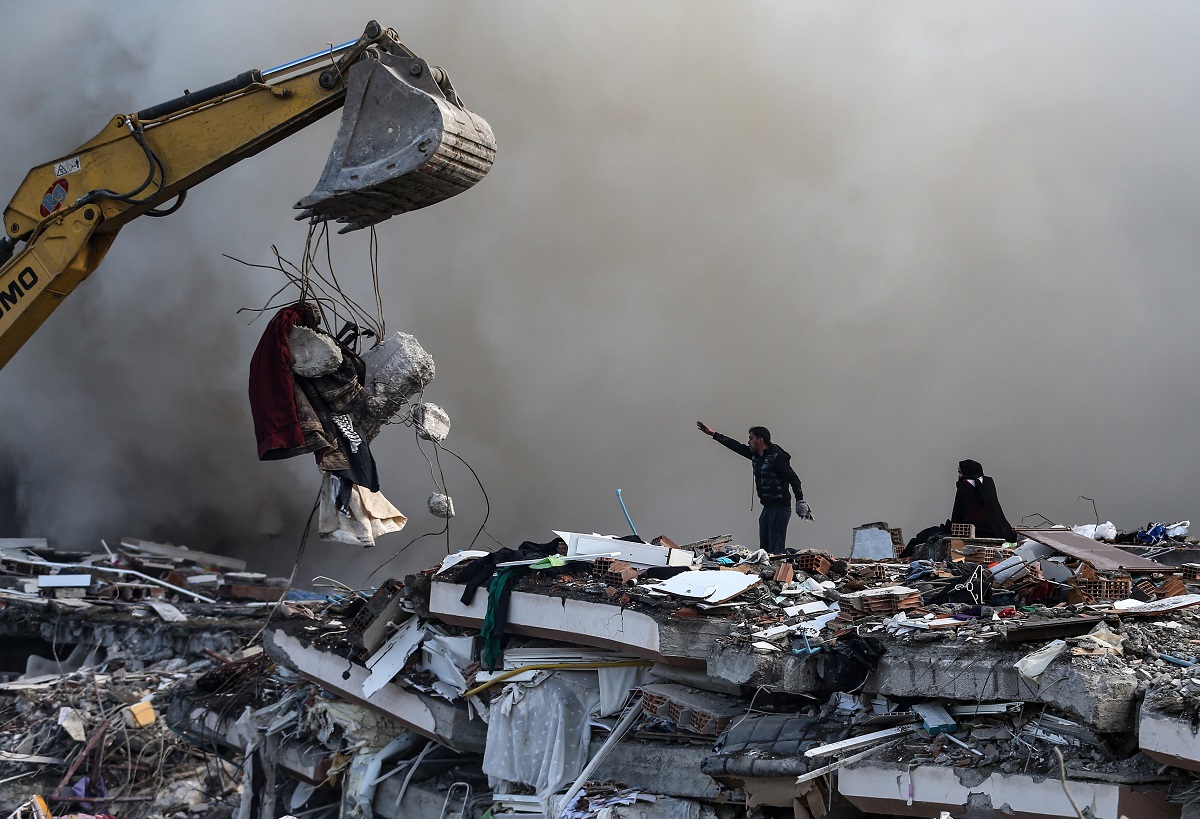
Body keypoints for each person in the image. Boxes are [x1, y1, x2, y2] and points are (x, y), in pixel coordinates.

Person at [696, 421, 811, 554]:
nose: (748, 441)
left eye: (751, 438)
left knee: (776, 549)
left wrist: (800, 501)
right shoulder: (755, 455)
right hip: (767, 507)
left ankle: (779, 572)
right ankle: (767, 571)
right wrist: (713, 434)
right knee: (764, 549)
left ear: (760, 440)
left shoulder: (777, 457)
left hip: (780, 508)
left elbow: (794, 479)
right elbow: (736, 446)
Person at [950, 459, 1017, 542]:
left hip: (975, 533)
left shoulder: (964, 486)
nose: (959, 476)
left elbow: (957, 512)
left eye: (960, 472)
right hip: (999, 531)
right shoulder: (988, 483)